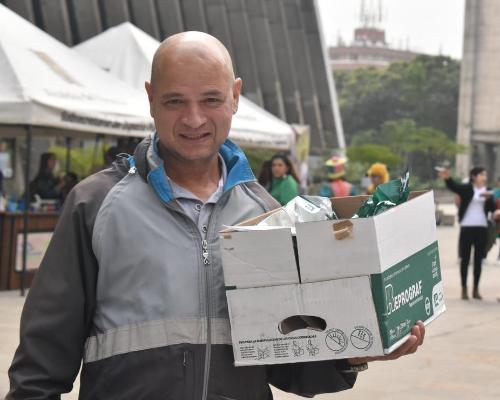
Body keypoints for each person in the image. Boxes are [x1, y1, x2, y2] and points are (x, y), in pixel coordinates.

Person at [7, 31, 425, 399]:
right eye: (174, 101)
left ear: (236, 96)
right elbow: (41, 361)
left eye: (211, 99)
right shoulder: (95, 205)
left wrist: (349, 355)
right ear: (151, 97)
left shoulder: (268, 215)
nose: (193, 119)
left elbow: (288, 363)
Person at [439, 167, 496, 300]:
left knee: (478, 260)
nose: (484, 177)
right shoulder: (466, 188)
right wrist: (447, 177)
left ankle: (476, 289)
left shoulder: (487, 190)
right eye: (482, 174)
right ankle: (464, 288)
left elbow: (492, 208)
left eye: (485, 174)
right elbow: (453, 186)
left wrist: (489, 198)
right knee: (465, 259)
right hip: (467, 227)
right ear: (474, 176)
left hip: (481, 228)